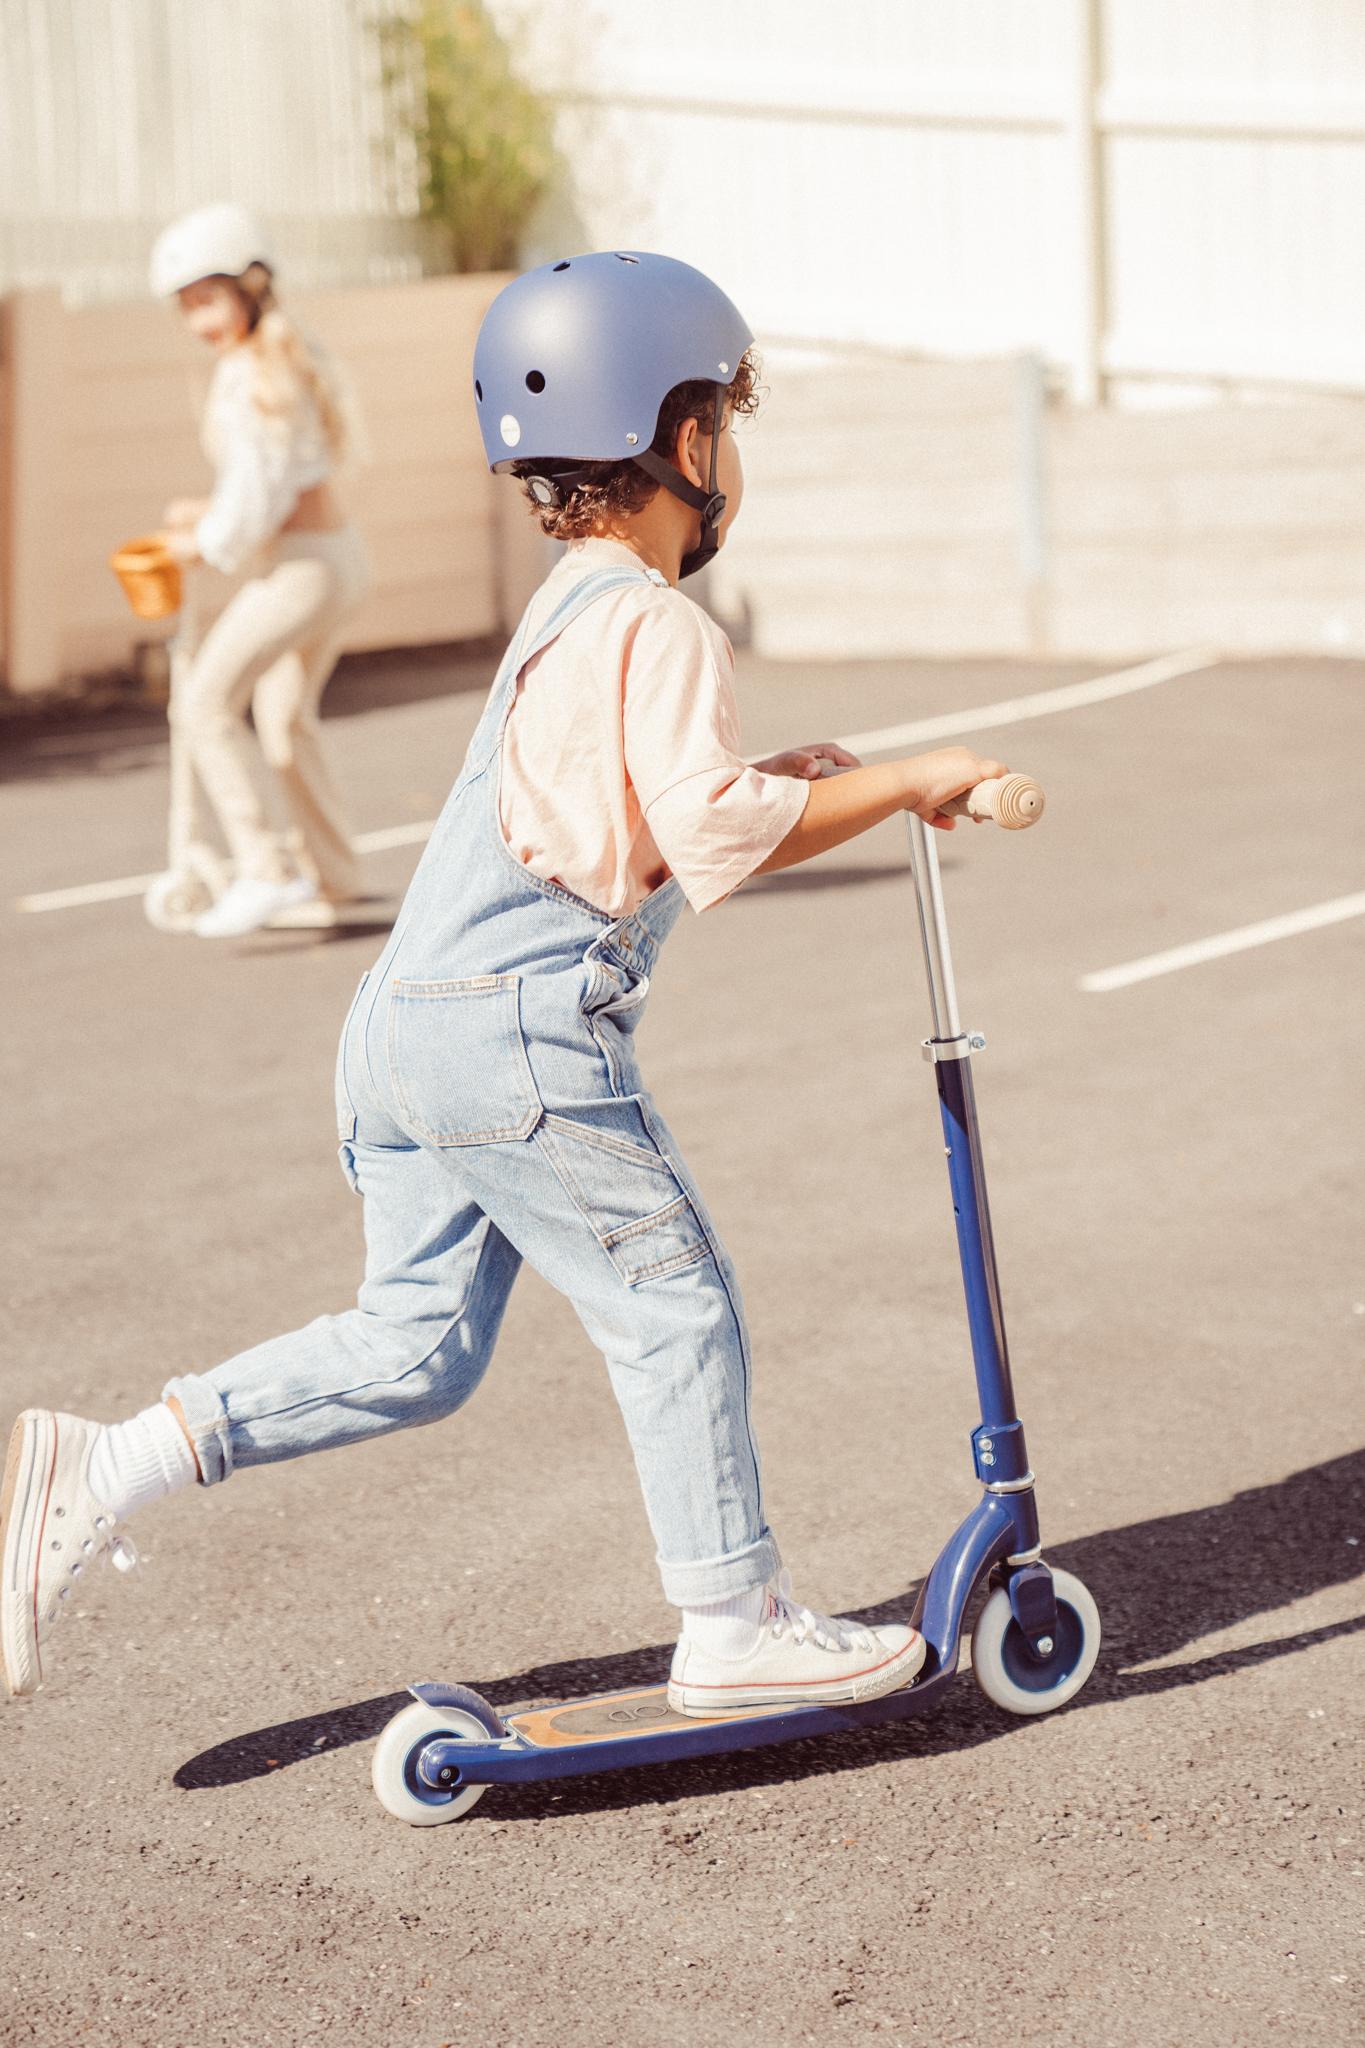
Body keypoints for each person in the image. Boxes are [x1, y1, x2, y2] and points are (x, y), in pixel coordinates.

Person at [1, 253, 1008, 1713]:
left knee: (411, 1349)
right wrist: (919, 773)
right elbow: (715, 836)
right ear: (682, 440)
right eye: (725, 414)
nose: (733, 447)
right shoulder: (664, 623)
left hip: (405, 1030)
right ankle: (732, 1621)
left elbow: (633, 819)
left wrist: (789, 779)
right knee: (676, 1306)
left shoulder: (567, 608)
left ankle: (105, 1461)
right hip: (516, 1041)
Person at [149, 203, 369, 938]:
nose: (197, 321)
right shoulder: (285, 354)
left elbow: (257, 491)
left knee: (204, 704)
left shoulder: (251, 376)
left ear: (248, 287)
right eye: (186, 306)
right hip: (334, 559)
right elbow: (275, 479)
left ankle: (264, 870)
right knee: (281, 721)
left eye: (206, 300)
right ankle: (335, 879)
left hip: (302, 569)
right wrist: (206, 516)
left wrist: (204, 542)